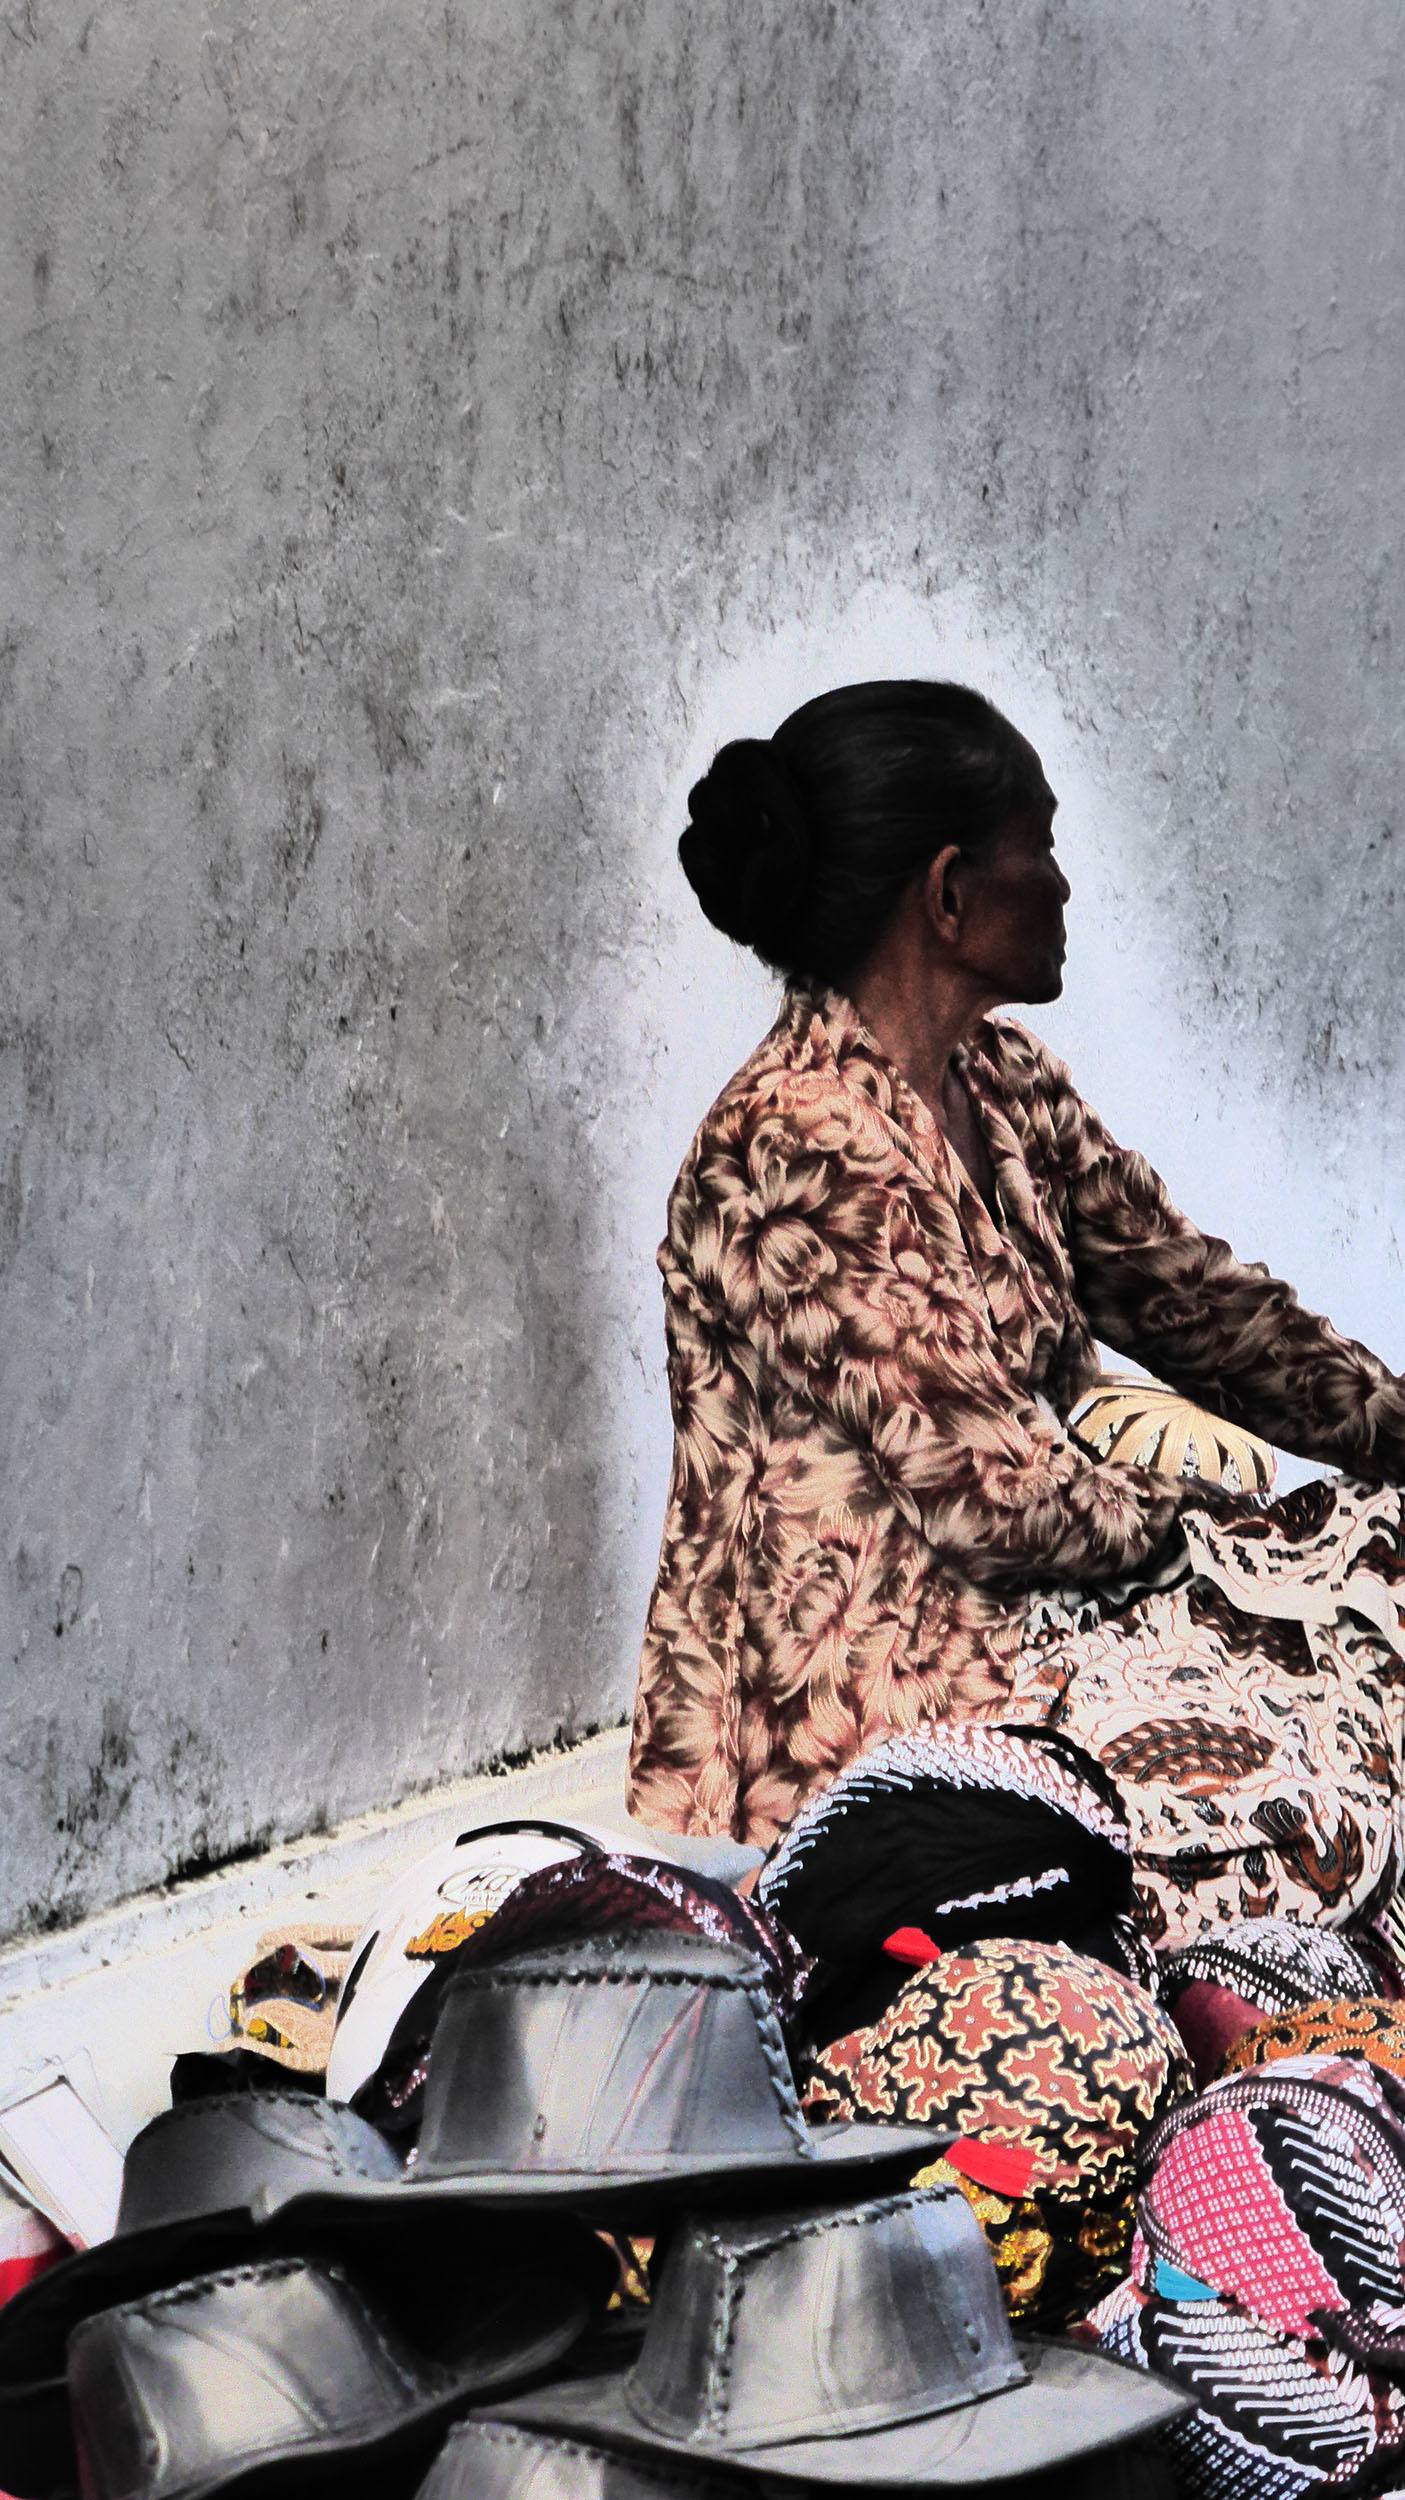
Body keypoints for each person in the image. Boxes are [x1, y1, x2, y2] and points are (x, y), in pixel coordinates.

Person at [626, 680, 1405, 1948]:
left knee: (1375, 1584)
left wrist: (1386, 1431)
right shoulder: (791, 1142)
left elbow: (1196, 1304)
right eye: (1036, 848)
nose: (1060, 886)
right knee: (1287, 1807)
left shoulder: (998, 1084)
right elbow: (990, 1493)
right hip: (849, 1721)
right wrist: (1230, 1532)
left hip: (1034, 1630)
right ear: (946, 895)